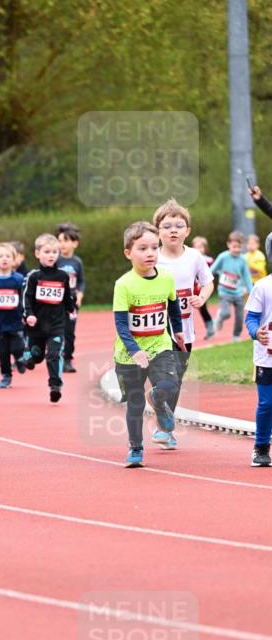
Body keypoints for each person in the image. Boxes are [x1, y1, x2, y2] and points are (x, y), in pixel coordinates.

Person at [112, 221, 185, 468]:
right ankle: (135, 449)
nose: (150, 253)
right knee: (135, 403)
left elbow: (173, 307)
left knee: (170, 383)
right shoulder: (124, 284)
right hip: (128, 352)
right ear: (128, 253)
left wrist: (179, 332)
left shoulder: (166, 278)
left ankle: (158, 399)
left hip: (159, 344)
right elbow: (121, 325)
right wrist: (135, 351)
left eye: (154, 247)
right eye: (142, 248)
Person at [152, 199, 214, 449]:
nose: (173, 230)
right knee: (164, 379)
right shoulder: (151, 256)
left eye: (179, 225)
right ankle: (163, 428)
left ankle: (166, 427)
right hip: (157, 330)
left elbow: (209, 282)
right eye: (167, 226)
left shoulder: (195, 257)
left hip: (185, 330)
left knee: (176, 381)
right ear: (158, 231)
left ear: (188, 230)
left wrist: (202, 297)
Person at [21, 233, 74, 403]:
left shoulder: (63, 276)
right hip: (36, 325)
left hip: (56, 324)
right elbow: (27, 297)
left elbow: (66, 296)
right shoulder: (34, 277)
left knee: (53, 354)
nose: (51, 255)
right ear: (37, 254)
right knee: (38, 356)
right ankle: (31, 357)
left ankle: (55, 386)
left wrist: (71, 309)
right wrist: (28, 314)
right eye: (47, 252)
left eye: (54, 252)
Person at [244, 232, 272, 467]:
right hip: (267, 357)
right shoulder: (263, 286)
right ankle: (261, 447)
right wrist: (256, 333)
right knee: (267, 403)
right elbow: (251, 318)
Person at [0, 242, 26, 388]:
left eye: (8, 256)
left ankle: (20, 358)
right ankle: (6, 376)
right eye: (1, 256)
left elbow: (25, 298)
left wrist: (26, 314)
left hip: (15, 321)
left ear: (14, 260)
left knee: (17, 348)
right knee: (2, 353)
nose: (4, 259)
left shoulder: (19, 279)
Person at [54, 221, 85, 373]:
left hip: (71, 303)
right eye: (59, 241)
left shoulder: (77, 262)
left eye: (65, 241)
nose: (62, 244)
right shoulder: (55, 260)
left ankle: (67, 360)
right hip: (55, 303)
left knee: (69, 332)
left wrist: (79, 295)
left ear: (75, 243)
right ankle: (54, 355)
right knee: (55, 331)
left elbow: (81, 281)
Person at [211, 231, 253, 341]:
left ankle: (236, 336)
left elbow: (247, 276)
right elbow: (212, 270)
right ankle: (220, 317)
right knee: (226, 313)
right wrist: (205, 280)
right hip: (224, 292)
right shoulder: (223, 257)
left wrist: (251, 291)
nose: (237, 249)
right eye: (234, 247)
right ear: (228, 244)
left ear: (242, 246)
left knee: (240, 317)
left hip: (239, 293)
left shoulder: (243, 260)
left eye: (239, 247)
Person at [190, 236, 216, 337]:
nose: (199, 249)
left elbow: (213, 271)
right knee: (188, 310)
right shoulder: (188, 259)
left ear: (205, 248)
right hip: (191, 289)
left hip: (202, 290)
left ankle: (210, 326)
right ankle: (190, 330)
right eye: (196, 247)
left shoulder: (209, 260)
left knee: (203, 309)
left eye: (201, 247)